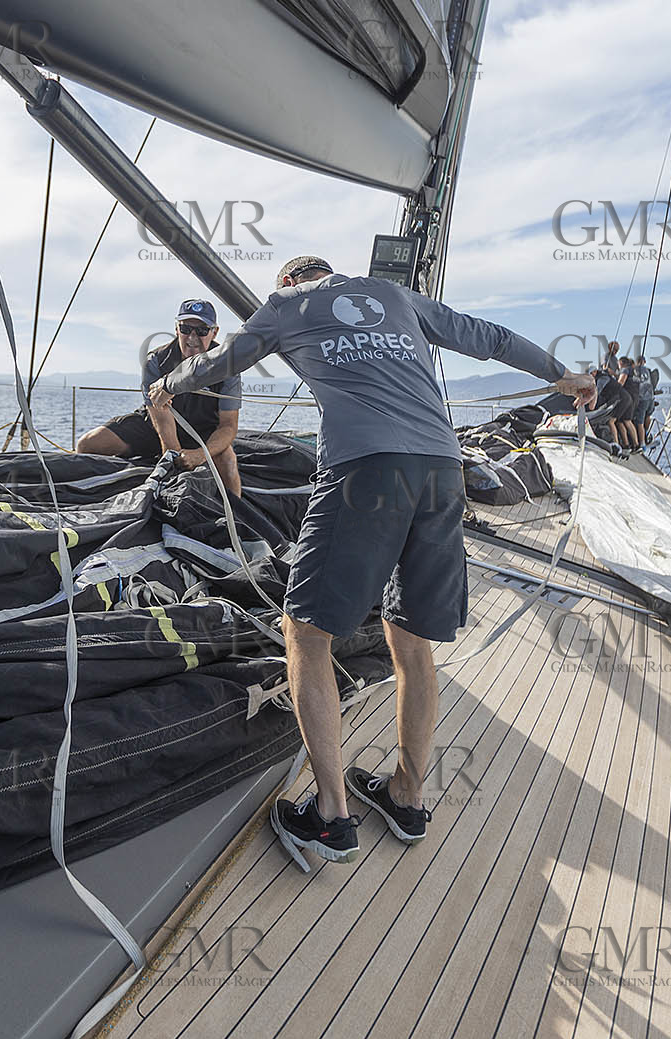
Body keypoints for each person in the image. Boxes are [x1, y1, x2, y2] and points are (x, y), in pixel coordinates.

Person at [149, 256, 595, 864]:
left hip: (364, 473)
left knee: (307, 633)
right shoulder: (394, 295)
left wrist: (169, 386)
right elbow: (488, 337)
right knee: (411, 638)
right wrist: (562, 376)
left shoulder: (286, 306)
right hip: (442, 473)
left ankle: (331, 816)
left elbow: (222, 361)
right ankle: (407, 796)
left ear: (289, 282)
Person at [78, 299, 242, 496]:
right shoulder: (156, 361)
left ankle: (235, 511)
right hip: (154, 425)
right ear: (176, 329)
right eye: (186, 328)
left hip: (202, 431)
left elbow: (228, 425)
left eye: (202, 331)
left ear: (214, 332)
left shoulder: (227, 366)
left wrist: (200, 455)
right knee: (87, 444)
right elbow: (163, 421)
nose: (192, 337)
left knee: (228, 462)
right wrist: (173, 457)